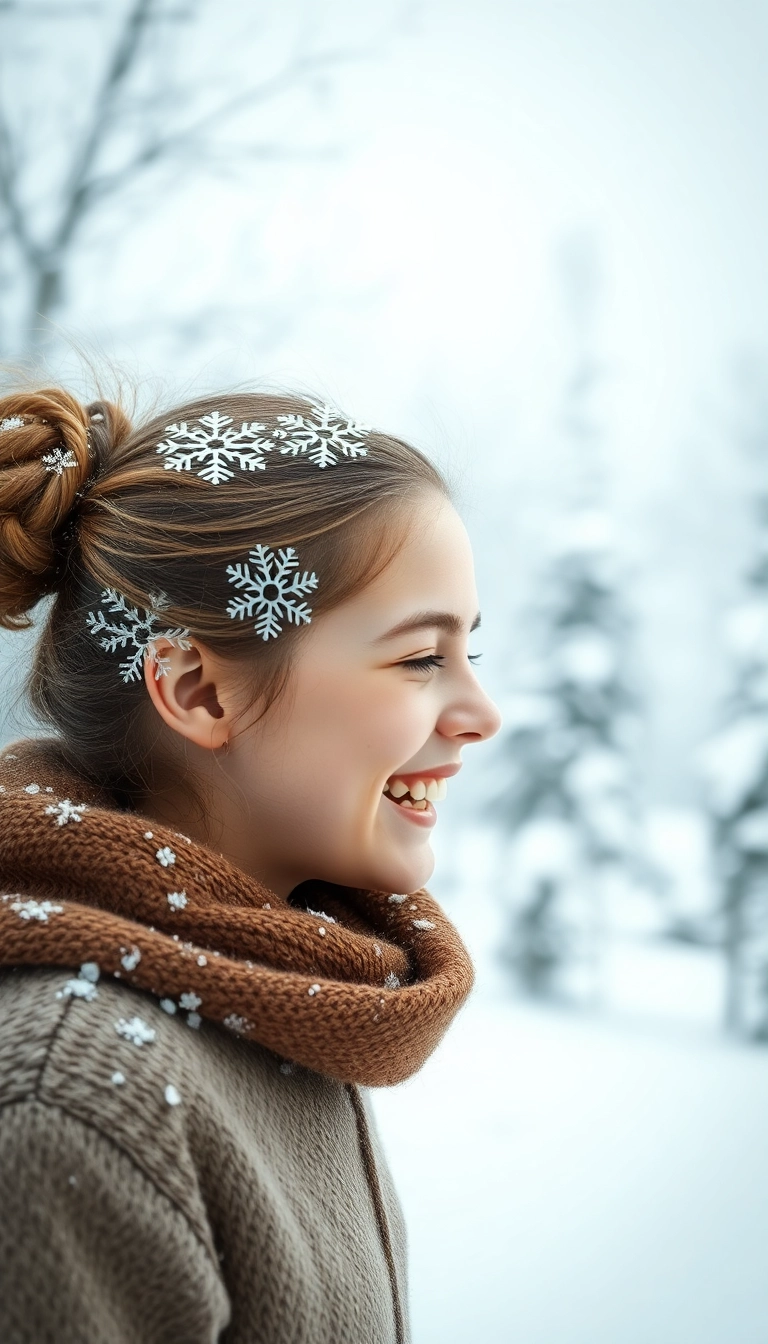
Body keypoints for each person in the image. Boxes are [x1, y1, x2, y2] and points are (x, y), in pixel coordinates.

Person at [0, 386, 501, 1343]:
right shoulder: (74, 1102)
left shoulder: (277, 982)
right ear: (197, 690)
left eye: (469, 650)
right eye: (417, 659)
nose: (483, 713)